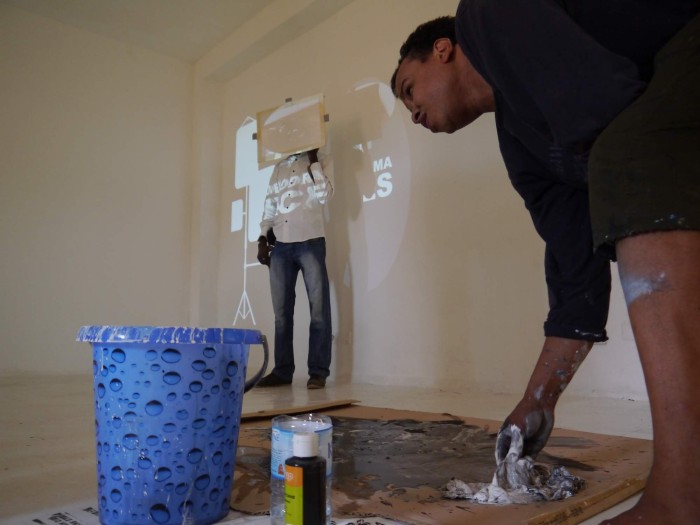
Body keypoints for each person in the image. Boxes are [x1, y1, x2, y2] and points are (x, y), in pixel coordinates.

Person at [391, 2, 699, 523]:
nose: (412, 111)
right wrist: (539, 399)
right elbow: (575, 270)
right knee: (624, 163)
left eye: (408, 89)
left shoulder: (488, 14)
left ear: (442, 50)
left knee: (627, 157)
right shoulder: (520, 145)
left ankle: (683, 496)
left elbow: (612, 113)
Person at [256, 148, 334, 390]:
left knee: (319, 310)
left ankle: (318, 372)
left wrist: (313, 160)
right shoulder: (279, 167)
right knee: (281, 315)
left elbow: (324, 196)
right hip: (281, 245)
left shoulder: (322, 158)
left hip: (311, 241)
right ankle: (282, 371)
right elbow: (270, 204)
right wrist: (262, 237)